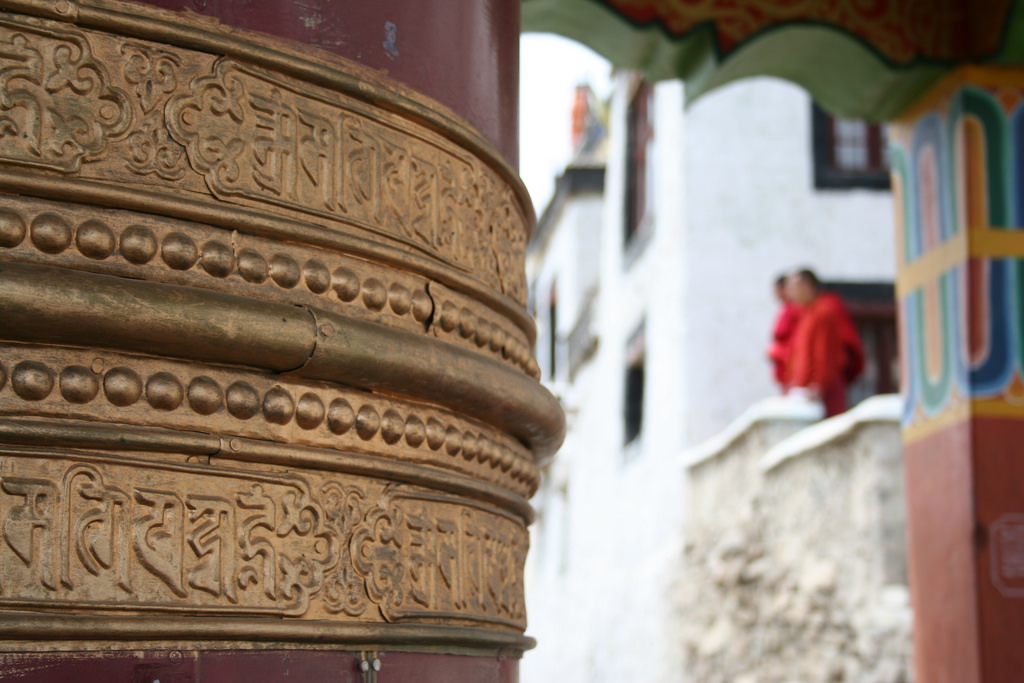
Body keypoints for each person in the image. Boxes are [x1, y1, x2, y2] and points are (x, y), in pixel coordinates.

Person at [785, 269, 864, 417]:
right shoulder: (806, 313)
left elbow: (825, 353)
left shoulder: (824, 311)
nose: (791, 294)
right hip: (805, 389)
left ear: (807, 286)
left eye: (794, 287)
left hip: (823, 388)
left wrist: (818, 386)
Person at [767, 274, 802, 391]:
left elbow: (798, 343)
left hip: (792, 367)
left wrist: (777, 352)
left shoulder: (797, 310)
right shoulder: (787, 309)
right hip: (784, 368)